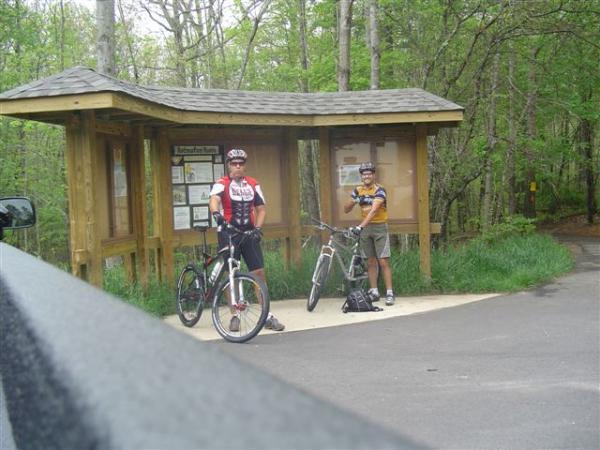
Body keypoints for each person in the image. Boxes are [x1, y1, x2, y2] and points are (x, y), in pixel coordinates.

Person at [209, 148, 285, 332]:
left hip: (249, 233)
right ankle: (234, 314)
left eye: (241, 164)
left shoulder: (253, 183)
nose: (237, 167)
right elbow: (213, 199)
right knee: (232, 274)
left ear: (244, 166)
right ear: (228, 165)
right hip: (229, 233)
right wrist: (216, 214)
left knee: (259, 274)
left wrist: (258, 228)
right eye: (234, 164)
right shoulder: (222, 183)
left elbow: (261, 209)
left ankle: (267, 315)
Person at [344, 162, 395, 305]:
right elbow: (346, 209)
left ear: (373, 175)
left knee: (383, 261)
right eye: (364, 174)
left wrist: (360, 227)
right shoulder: (358, 190)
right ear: (361, 176)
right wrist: (353, 200)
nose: (366, 176)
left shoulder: (380, 190)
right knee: (370, 261)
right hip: (366, 230)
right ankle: (374, 291)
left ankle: (390, 293)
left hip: (379, 228)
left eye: (369, 173)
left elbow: (373, 211)